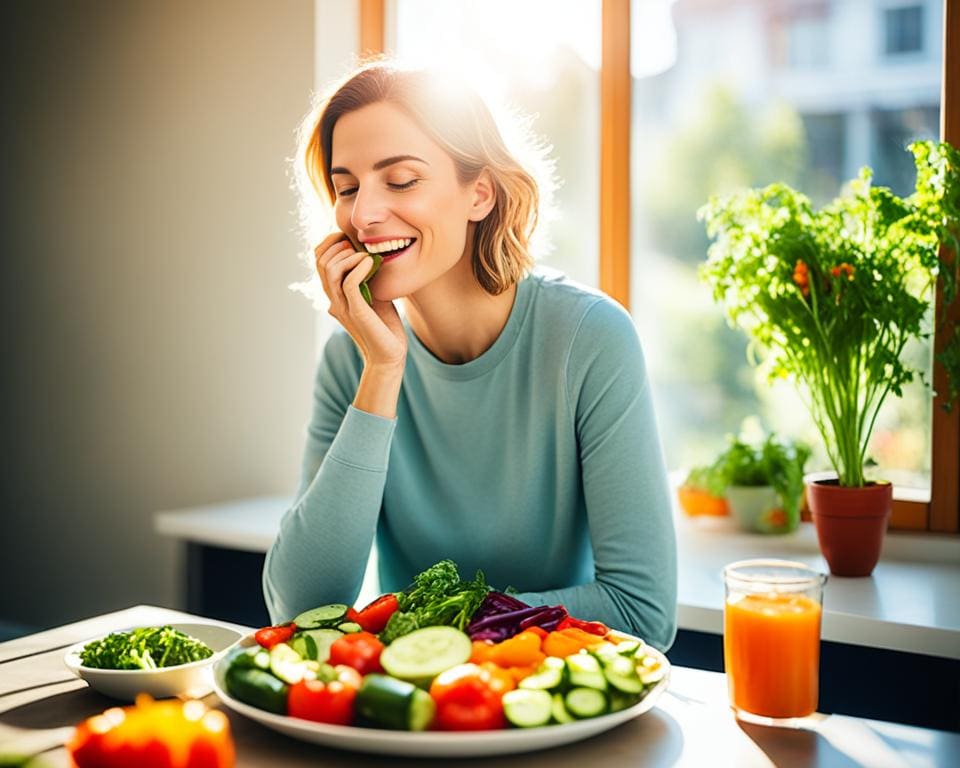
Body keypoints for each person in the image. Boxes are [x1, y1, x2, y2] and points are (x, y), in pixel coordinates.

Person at [263, 61, 677, 651]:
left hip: (554, 702)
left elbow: (641, 612)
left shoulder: (590, 337)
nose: (363, 215)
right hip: (418, 715)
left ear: (478, 193)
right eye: (347, 187)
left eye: (401, 180)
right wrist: (381, 373)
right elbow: (297, 608)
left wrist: (424, 628)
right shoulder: (351, 359)